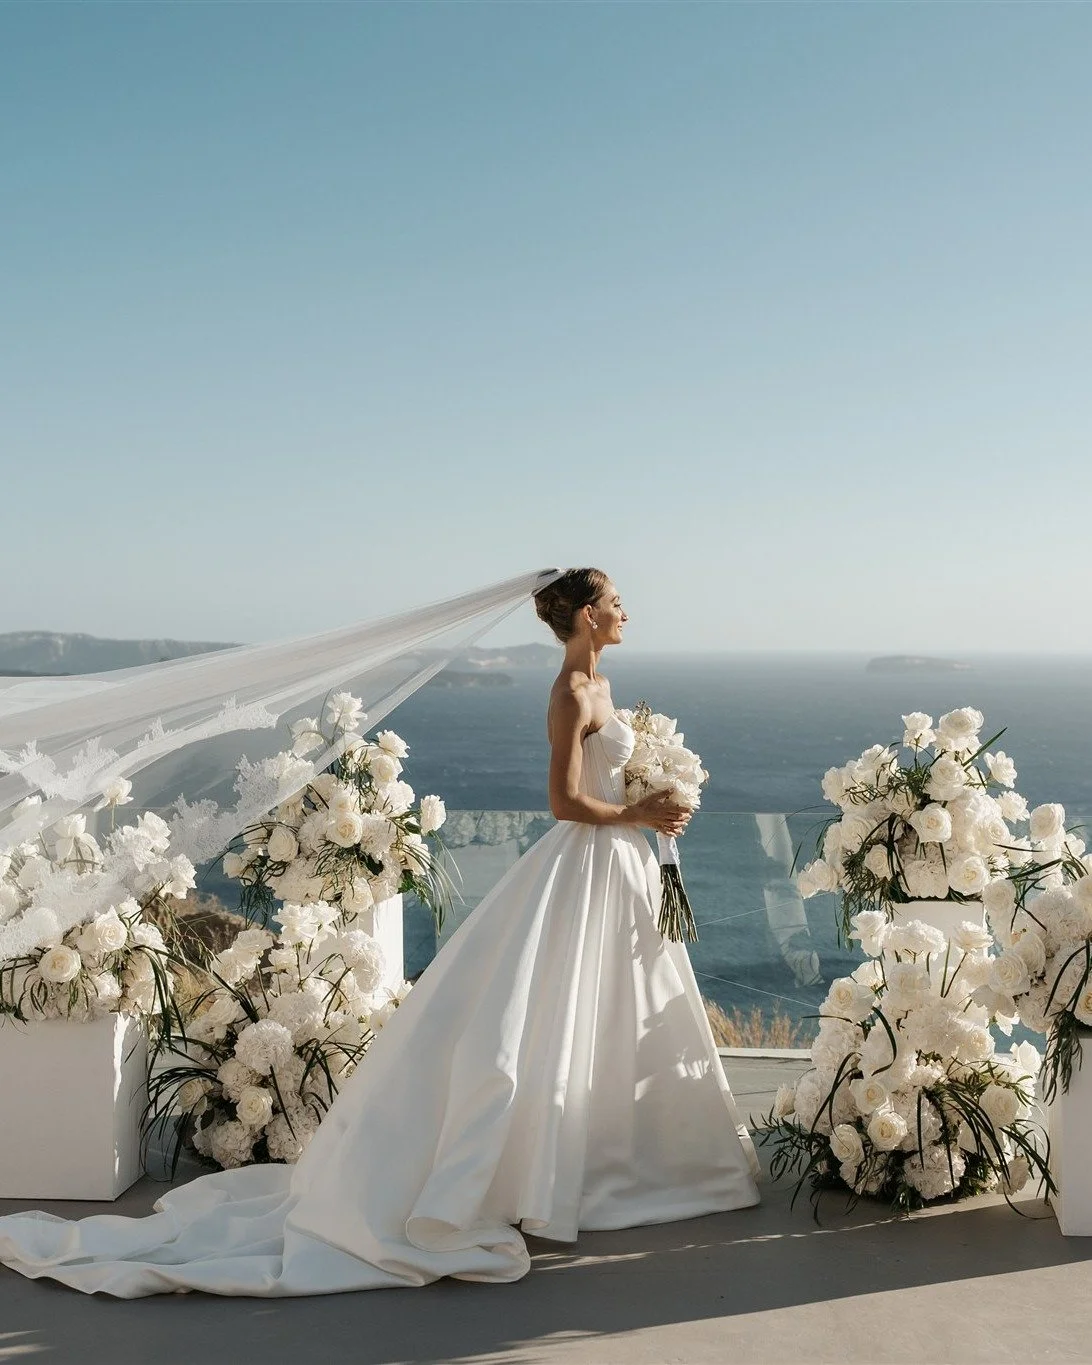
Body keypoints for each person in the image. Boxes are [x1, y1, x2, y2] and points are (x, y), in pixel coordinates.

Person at [0, 568, 759, 1298]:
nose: (627, 610)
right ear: (587, 614)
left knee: (609, 1007)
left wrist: (649, 798)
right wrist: (637, 812)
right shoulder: (568, 690)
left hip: (616, 867)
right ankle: (550, 1173)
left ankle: (610, 1161)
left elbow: (599, 778)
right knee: (545, 1012)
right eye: (617, 600)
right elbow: (563, 801)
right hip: (587, 859)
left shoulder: (602, 684)